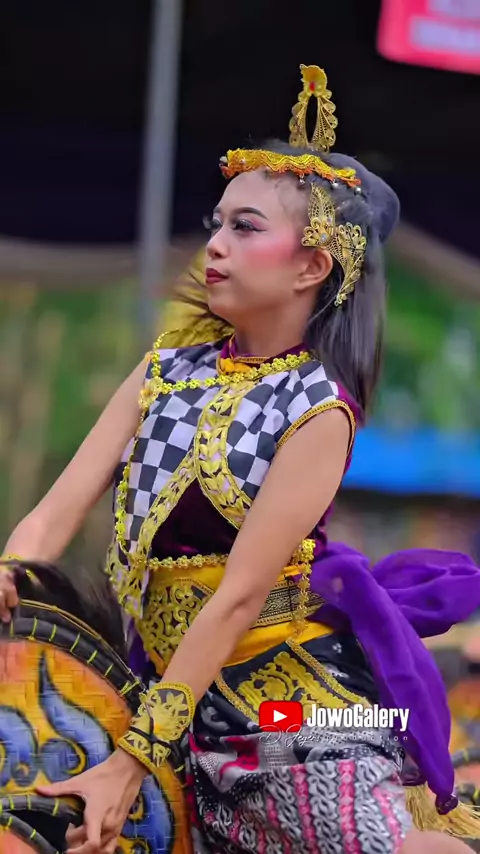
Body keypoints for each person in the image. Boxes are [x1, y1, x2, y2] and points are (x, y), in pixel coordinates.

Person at [1, 64, 480, 854]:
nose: (215, 244)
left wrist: (134, 760)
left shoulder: (319, 410)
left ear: (312, 266)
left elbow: (235, 600)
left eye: (245, 227)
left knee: (346, 833)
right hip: (156, 676)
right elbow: (56, 512)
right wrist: (13, 571)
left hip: (281, 702)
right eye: (217, 222)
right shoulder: (164, 371)